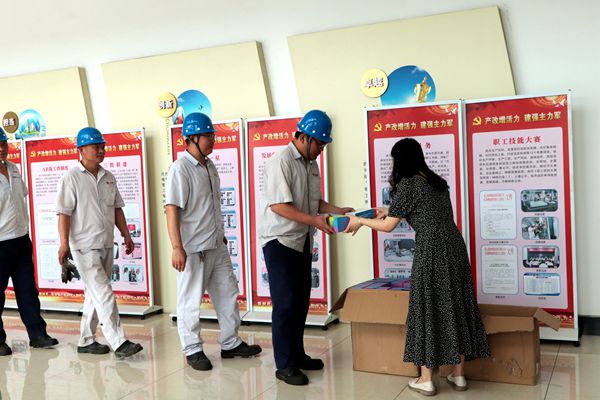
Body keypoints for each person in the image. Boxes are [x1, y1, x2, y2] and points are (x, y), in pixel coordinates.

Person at [344, 138, 489, 396]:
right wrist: (386, 210)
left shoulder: (408, 184)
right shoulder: (436, 182)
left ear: (400, 160)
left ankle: (426, 379)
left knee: (426, 307)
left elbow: (388, 226)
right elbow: (421, 210)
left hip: (431, 251)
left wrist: (360, 221)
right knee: (455, 304)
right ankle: (459, 375)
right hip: (455, 247)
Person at [259, 110, 354, 385]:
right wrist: (315, 221)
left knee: (301, 302)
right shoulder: (281, 161)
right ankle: (284, 364)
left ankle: (297, 355)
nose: (322, 149)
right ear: (304, 137)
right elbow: (279, 206)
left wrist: (337, 210)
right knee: (285, 304)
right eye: (320, 144)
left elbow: (314, 202)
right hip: (280, 241)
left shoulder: (311, 164)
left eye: (324, 144)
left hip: (302, 240)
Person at [166, 112, 262, 371]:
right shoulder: (180, 168)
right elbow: (172, 209)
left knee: (228, 293)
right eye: (208, 136)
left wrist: (220, 233)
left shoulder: (209, 166)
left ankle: (231, 343)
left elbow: (210, 205)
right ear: (192, 138)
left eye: (212, 135)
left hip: (216, 245)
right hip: (193, 248)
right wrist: (177, 247)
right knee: (190, 300)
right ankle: (192, 348)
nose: (213, 140)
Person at [56, 127, 143, 359]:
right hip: (84, 246)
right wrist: (64, 244)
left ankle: (86, 340)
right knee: (104, 292)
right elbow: (64, 213)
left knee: (94, 294)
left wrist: (126, 235)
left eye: (102, 146)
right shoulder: (71, 178)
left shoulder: (109, 177)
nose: (101, 150)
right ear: (81, 149)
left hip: (105, 243)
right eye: (96, 146)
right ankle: (119, 341)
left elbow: (116, 209)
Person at [0, 128, 59, 356]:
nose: (2, 148)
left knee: (27, 291)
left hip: (21, 240)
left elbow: (19, 199)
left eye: (4, 143)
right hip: (1, 243)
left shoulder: (13, 169)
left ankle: (38, 334)